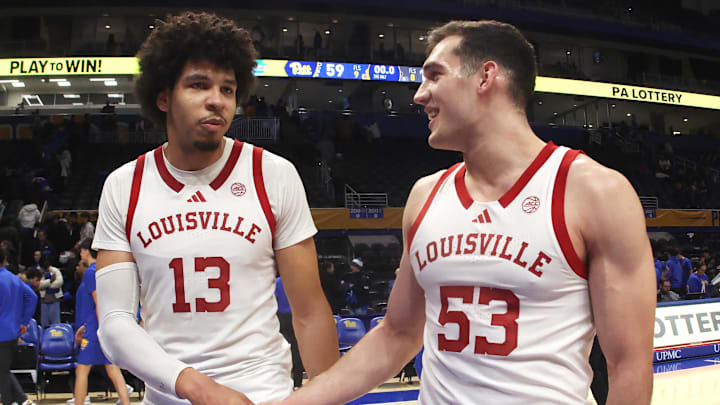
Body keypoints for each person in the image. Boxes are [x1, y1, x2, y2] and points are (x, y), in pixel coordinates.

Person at [263, 20, 654, 405]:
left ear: (486, 77)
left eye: (435, 75)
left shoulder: (594, 191)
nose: (419, 95)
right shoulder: (425, 195)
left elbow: (629, 366)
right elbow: (397, 334)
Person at [92, 11, 338, 405]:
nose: (216, 101)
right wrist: (198, 387)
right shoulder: (125, 185)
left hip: (263, 394)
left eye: (227, 89)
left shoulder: (273, 174)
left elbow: (309, 311)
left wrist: (329, 397)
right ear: (163, 97)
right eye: (198, 85)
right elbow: (115, 323)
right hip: (170, 394)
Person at [69, 240, 131, 405]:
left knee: (82, 369)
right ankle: (126, 402)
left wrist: (101, 329)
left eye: (81, 251)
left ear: (86, 251)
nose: (80, 255)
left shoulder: (91, 272)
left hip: (96, 327)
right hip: (97, 324)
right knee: (112, 368)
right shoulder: (102, 269)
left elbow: (99, 302)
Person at [0, 247, 38, 405]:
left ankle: (19, 400)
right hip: (13, 332)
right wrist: (24, 321)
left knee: (2, 372)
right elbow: (32, 296)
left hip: (1, 332)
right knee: (2, 370)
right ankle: (21, 400)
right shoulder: (14, 278)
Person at [275, 276, 303, 388]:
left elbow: (274, 300)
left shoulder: (276, 282)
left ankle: (282, 381)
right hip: (296, 316)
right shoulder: (298, 280)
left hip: (282, 318)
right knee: (297, 350)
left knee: (280, 349)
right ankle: (297, 382)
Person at [38, 254, 63, 327]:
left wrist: (46, 285)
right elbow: (39, 285)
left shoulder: (55, 270)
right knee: (44, 324)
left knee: (56, 324)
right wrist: (50, 281)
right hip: (43, 301)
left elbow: (59, 283)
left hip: (54, 299)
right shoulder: (38, 271)